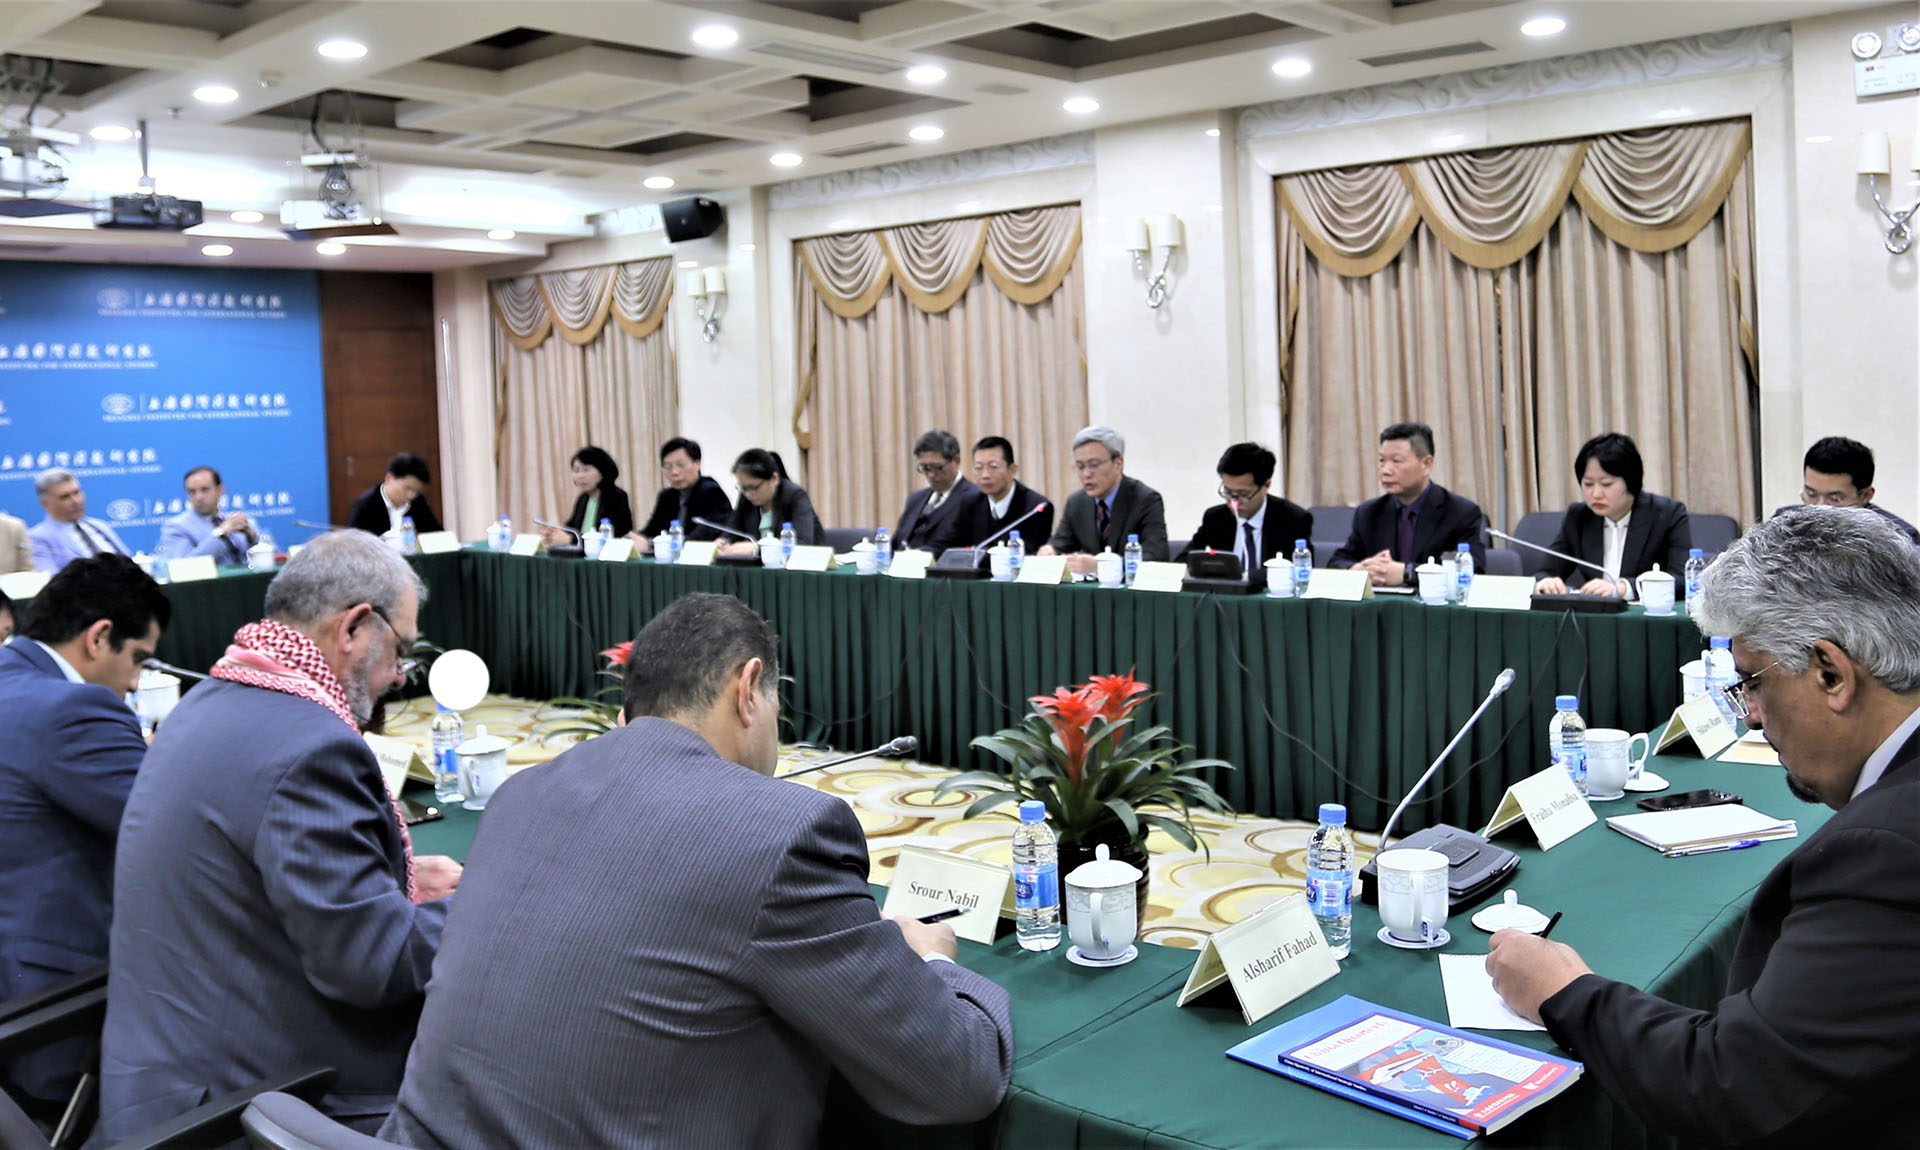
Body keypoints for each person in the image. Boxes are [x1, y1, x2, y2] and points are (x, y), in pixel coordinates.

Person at [379, 594, 1012, 1149]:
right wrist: (931, 959)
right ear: (748, 688)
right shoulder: (780, 836)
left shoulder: (520, 792)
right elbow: (958, 1079)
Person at [1487, 508, 1920, 1146]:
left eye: (1752, 682)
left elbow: (1741, 1087)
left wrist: (1565, 991)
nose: (1751, 716)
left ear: (1831, 673)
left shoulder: (1883, 851)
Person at [95, 531, 461, 1141]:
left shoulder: (208, 699)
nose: (400, 676)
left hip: (164, 1074)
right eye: (401, 649)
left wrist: (393, 878)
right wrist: (495, 904)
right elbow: (375, 966)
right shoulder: (312, 747)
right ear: (354, 628)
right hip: (248, 1107)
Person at [0, 555, 167, 1114]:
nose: (136, 682)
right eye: (138, 658)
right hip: (57, 1018)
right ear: (98, 637)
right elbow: (175, 834)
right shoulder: (75, 708)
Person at [1532, 433, 1692, 598]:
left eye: (1606, 484)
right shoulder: (1578, 517)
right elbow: (1544, 572)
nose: (1596, 494)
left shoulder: (1667, 514)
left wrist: (1624, 588)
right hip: (1595, 612)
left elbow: (1683, 579)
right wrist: (1547, 582)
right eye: (1588, 484)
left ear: (1631, 482)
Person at [1330, 422, 1485, 586]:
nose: (1385, 470)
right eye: (1382, 461)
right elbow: (1337, 562)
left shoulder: (1460, 512)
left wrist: (1408, 573)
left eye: (1396, 461)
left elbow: (1472, 570)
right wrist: (1357, 570)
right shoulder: (1369, 512)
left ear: (1426, 464)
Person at [1041, 425, 1169, 575]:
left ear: (1118, 464)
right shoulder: (1076, 503)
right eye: (1080, 466)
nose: (1086, 474)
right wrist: (1050, 550)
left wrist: (1102, 566)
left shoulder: (1145, 500)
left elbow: (1156, 557)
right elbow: (1061, 542)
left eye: (1094, 465)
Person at [1178, 443, 1313, 578]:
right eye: (1228, 492)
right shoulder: (1216, 518)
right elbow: (1183, 560)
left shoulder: (1292, 519)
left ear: (1266, 485)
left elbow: (1299, 570)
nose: (1234, 503)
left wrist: (1249, 577)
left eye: (1242, 494)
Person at [1774, 435, 1919, 544]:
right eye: (1811, 494)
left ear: (1866, 495)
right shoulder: (1783, 525)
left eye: (1835, 499)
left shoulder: (1901, 540)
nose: (1819, 508)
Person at [629, 437, 733, 552]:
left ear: (697, 463)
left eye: (681, 465)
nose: (674, 472)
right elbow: (652, 530)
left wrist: (652, 544)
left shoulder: (711, 492)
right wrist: (636, 538)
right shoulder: (667, 496)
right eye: (668, 467)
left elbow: (701, 537)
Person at [721, 449, 825, 553]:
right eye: (743, 488)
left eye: (753, 488)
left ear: (774, 479)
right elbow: (730, 533)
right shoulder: (746, 499)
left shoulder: (796, 496)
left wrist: (757, 548)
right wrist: (722, 543)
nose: (748, 494)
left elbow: (801, 544)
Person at [894, 429, 979, 554]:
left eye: (938, 468)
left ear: (956, 461)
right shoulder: (915, 499)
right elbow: (895, 544)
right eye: (925, 468)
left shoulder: (974, 498)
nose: (931, 475)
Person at [29, 469, 130, 572]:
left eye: (77, 493)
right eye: (65, 497)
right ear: (45, 503)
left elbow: (129, 561)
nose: (76, 501)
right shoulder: (37, 539)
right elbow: (50, 578)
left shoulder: (99, 526)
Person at [961, 436, 1053, 549]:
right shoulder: (969, 503)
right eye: (978, 468)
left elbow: (1031, 553)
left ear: (1012, 470)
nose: (985, 475)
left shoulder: (1035, 508)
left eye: (993, 467)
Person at [155, 465, 258, 564]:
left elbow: (262, 556)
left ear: (220, 490)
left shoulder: (235, 521)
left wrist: (252, 537)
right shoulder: (176, 527)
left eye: (205, 490)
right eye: (192, 492)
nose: (198, 497)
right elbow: (183, 565)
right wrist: (220, 533)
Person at [542, 445, 633, 546]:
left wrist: (571, 540)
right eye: (576, 470)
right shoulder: (583, 498)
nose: (580, 476)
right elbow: (571, 528)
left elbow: (613, 536)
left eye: (586, 470)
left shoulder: (617, 497)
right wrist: (554, 533)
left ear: (603, 471)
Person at [345, 453, 443, 538]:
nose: (411, 495)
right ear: (389, 478)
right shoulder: (364, 505)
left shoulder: (418, 501)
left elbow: (436, 535)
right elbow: (355, 544)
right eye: (407, 488)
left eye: (416, 491)